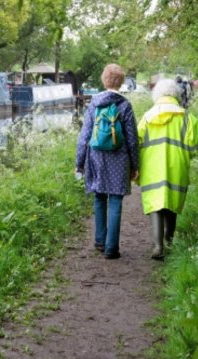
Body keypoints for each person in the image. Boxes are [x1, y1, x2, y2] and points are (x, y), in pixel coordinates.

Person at [75, 64, 140, 259]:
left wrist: (79, 162)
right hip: (119, 159)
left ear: (104, 80)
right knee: (116, 200)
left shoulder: (94, 103)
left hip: (96, 156)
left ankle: (100, 241)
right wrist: (135, 165)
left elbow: (84, 136)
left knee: (99, 197)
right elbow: (131, 138)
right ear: (120, 82)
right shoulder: (125, 105)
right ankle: (112, 248)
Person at [137, 78, 198, 260]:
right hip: (177, 166)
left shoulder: (147, 117)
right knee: (172, 203)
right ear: (176, 94)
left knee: (155, 203)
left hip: (151, 167)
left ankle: (158, 246)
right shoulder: (187, 118)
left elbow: (136, 142)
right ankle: (169, 240)